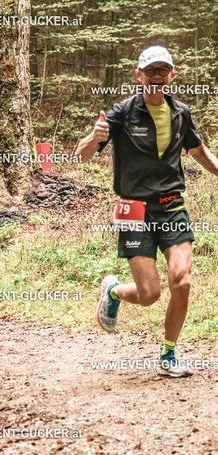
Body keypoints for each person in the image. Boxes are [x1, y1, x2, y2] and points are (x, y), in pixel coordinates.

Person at [76, 45, 218, 377]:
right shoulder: (123, 112)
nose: (156, 76)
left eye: (162, 70)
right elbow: (81, 156)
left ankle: (168, 354)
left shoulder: (180, 113)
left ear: (172, 75)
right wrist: (94, 137)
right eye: (150, 70)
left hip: (172, 207)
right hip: (134, 210)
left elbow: (199, 152)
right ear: (138, 75)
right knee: (150, 294)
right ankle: (113, 291)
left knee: (182, 282)